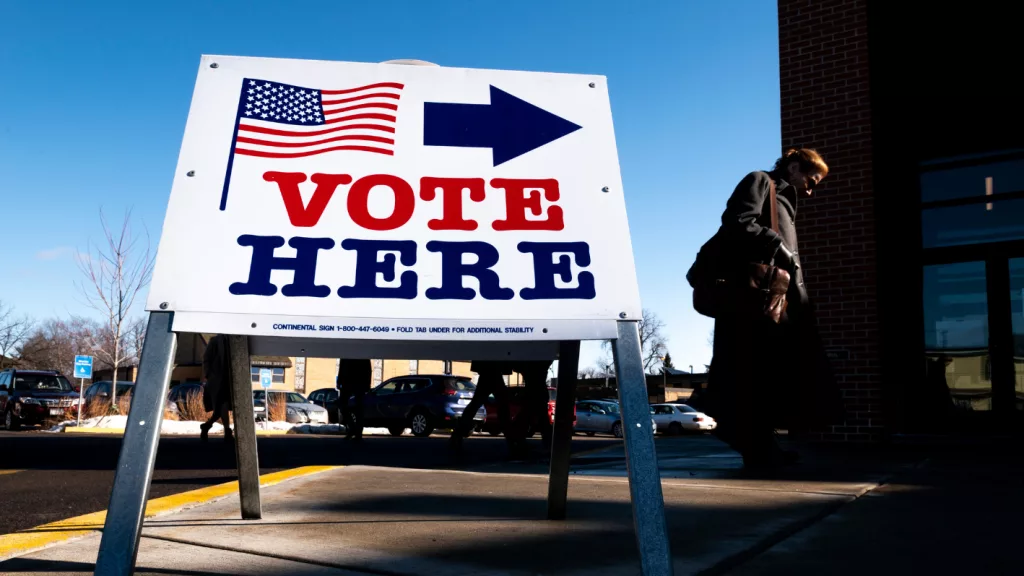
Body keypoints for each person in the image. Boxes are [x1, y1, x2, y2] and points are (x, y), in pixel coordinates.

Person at [697, 148, 843, 469]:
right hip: (753, 303)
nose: (811, 189)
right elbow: (736, 222)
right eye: (810, 179)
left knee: (769, 376)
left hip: (778, 303)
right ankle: (756, 448)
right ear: (793, 166)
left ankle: (763, 445)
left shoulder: (787, 205)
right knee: (750, 375)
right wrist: (778, 246)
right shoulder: (761, 182)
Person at [449, 360, 515, 458]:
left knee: (475, 405)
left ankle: (457, 435)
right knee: (502, 407)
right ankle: (512, 441)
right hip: (493, 373)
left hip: (487, 373)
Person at [200, 334, 233, 442]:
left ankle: (207, 426)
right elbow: (206, 358)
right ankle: (227, 431)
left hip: (230, 379)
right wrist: (209, 374)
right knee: (222, 405)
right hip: (217, 379)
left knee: (220, 409)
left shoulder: (236, 340)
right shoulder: (215, 341)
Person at [337, 359, 372, 440]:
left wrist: (339, 381)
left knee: (358, 407)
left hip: (355, 382)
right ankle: (355, 430)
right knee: (346, 405)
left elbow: (368, 368)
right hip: (353, 382)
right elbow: (342, 365)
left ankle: (356, 431)